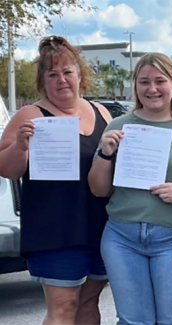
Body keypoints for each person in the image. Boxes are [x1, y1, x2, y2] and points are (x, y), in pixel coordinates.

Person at [88, 52, 172, 325]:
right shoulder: (119, 126)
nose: (152, 89)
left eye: (159, 81)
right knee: (132, 321)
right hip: (122, 237)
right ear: (135, 85)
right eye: (144, 81)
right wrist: (106, 153)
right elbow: (98, 189)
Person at [0, 35, 112, 325]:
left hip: (100, 225)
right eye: (53, 74)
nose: (61, 80)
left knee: (89, 302)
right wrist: (21, 146)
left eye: (67, 72)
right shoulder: (30, 114)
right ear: (43, 81)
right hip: (54, 230)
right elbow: (7, 169)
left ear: (79, 75)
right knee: (63, 306)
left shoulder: (101, 112)